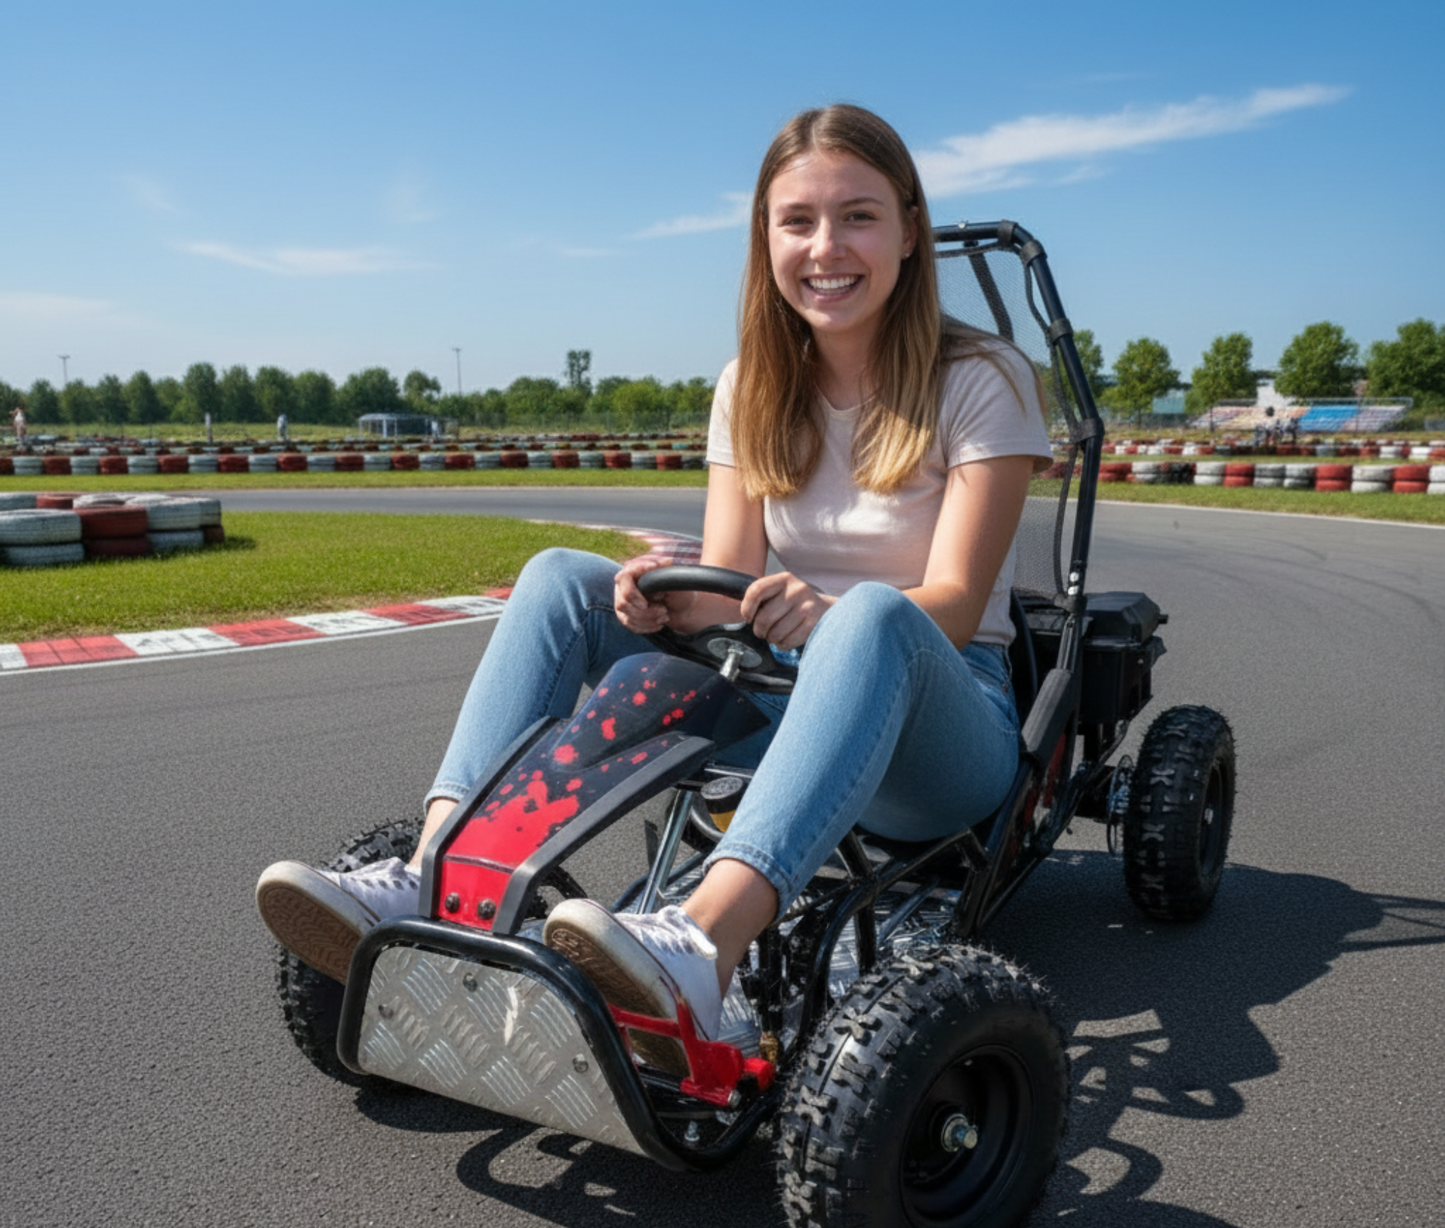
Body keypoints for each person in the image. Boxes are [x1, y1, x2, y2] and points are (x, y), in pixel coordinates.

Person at [256, 103, 1052, 1059]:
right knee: (562, 577)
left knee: (873, 615)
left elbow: (958, 604)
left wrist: (834, 614)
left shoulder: (983, 377)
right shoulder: (750, 386)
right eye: (797, 220)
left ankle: (699, 944)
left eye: (858, 216)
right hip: (783, 699)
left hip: (940, 734)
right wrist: (659, 596)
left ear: (909, 228)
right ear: (765, 239)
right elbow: (725, 594)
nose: (825, 246)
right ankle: (432, 873)